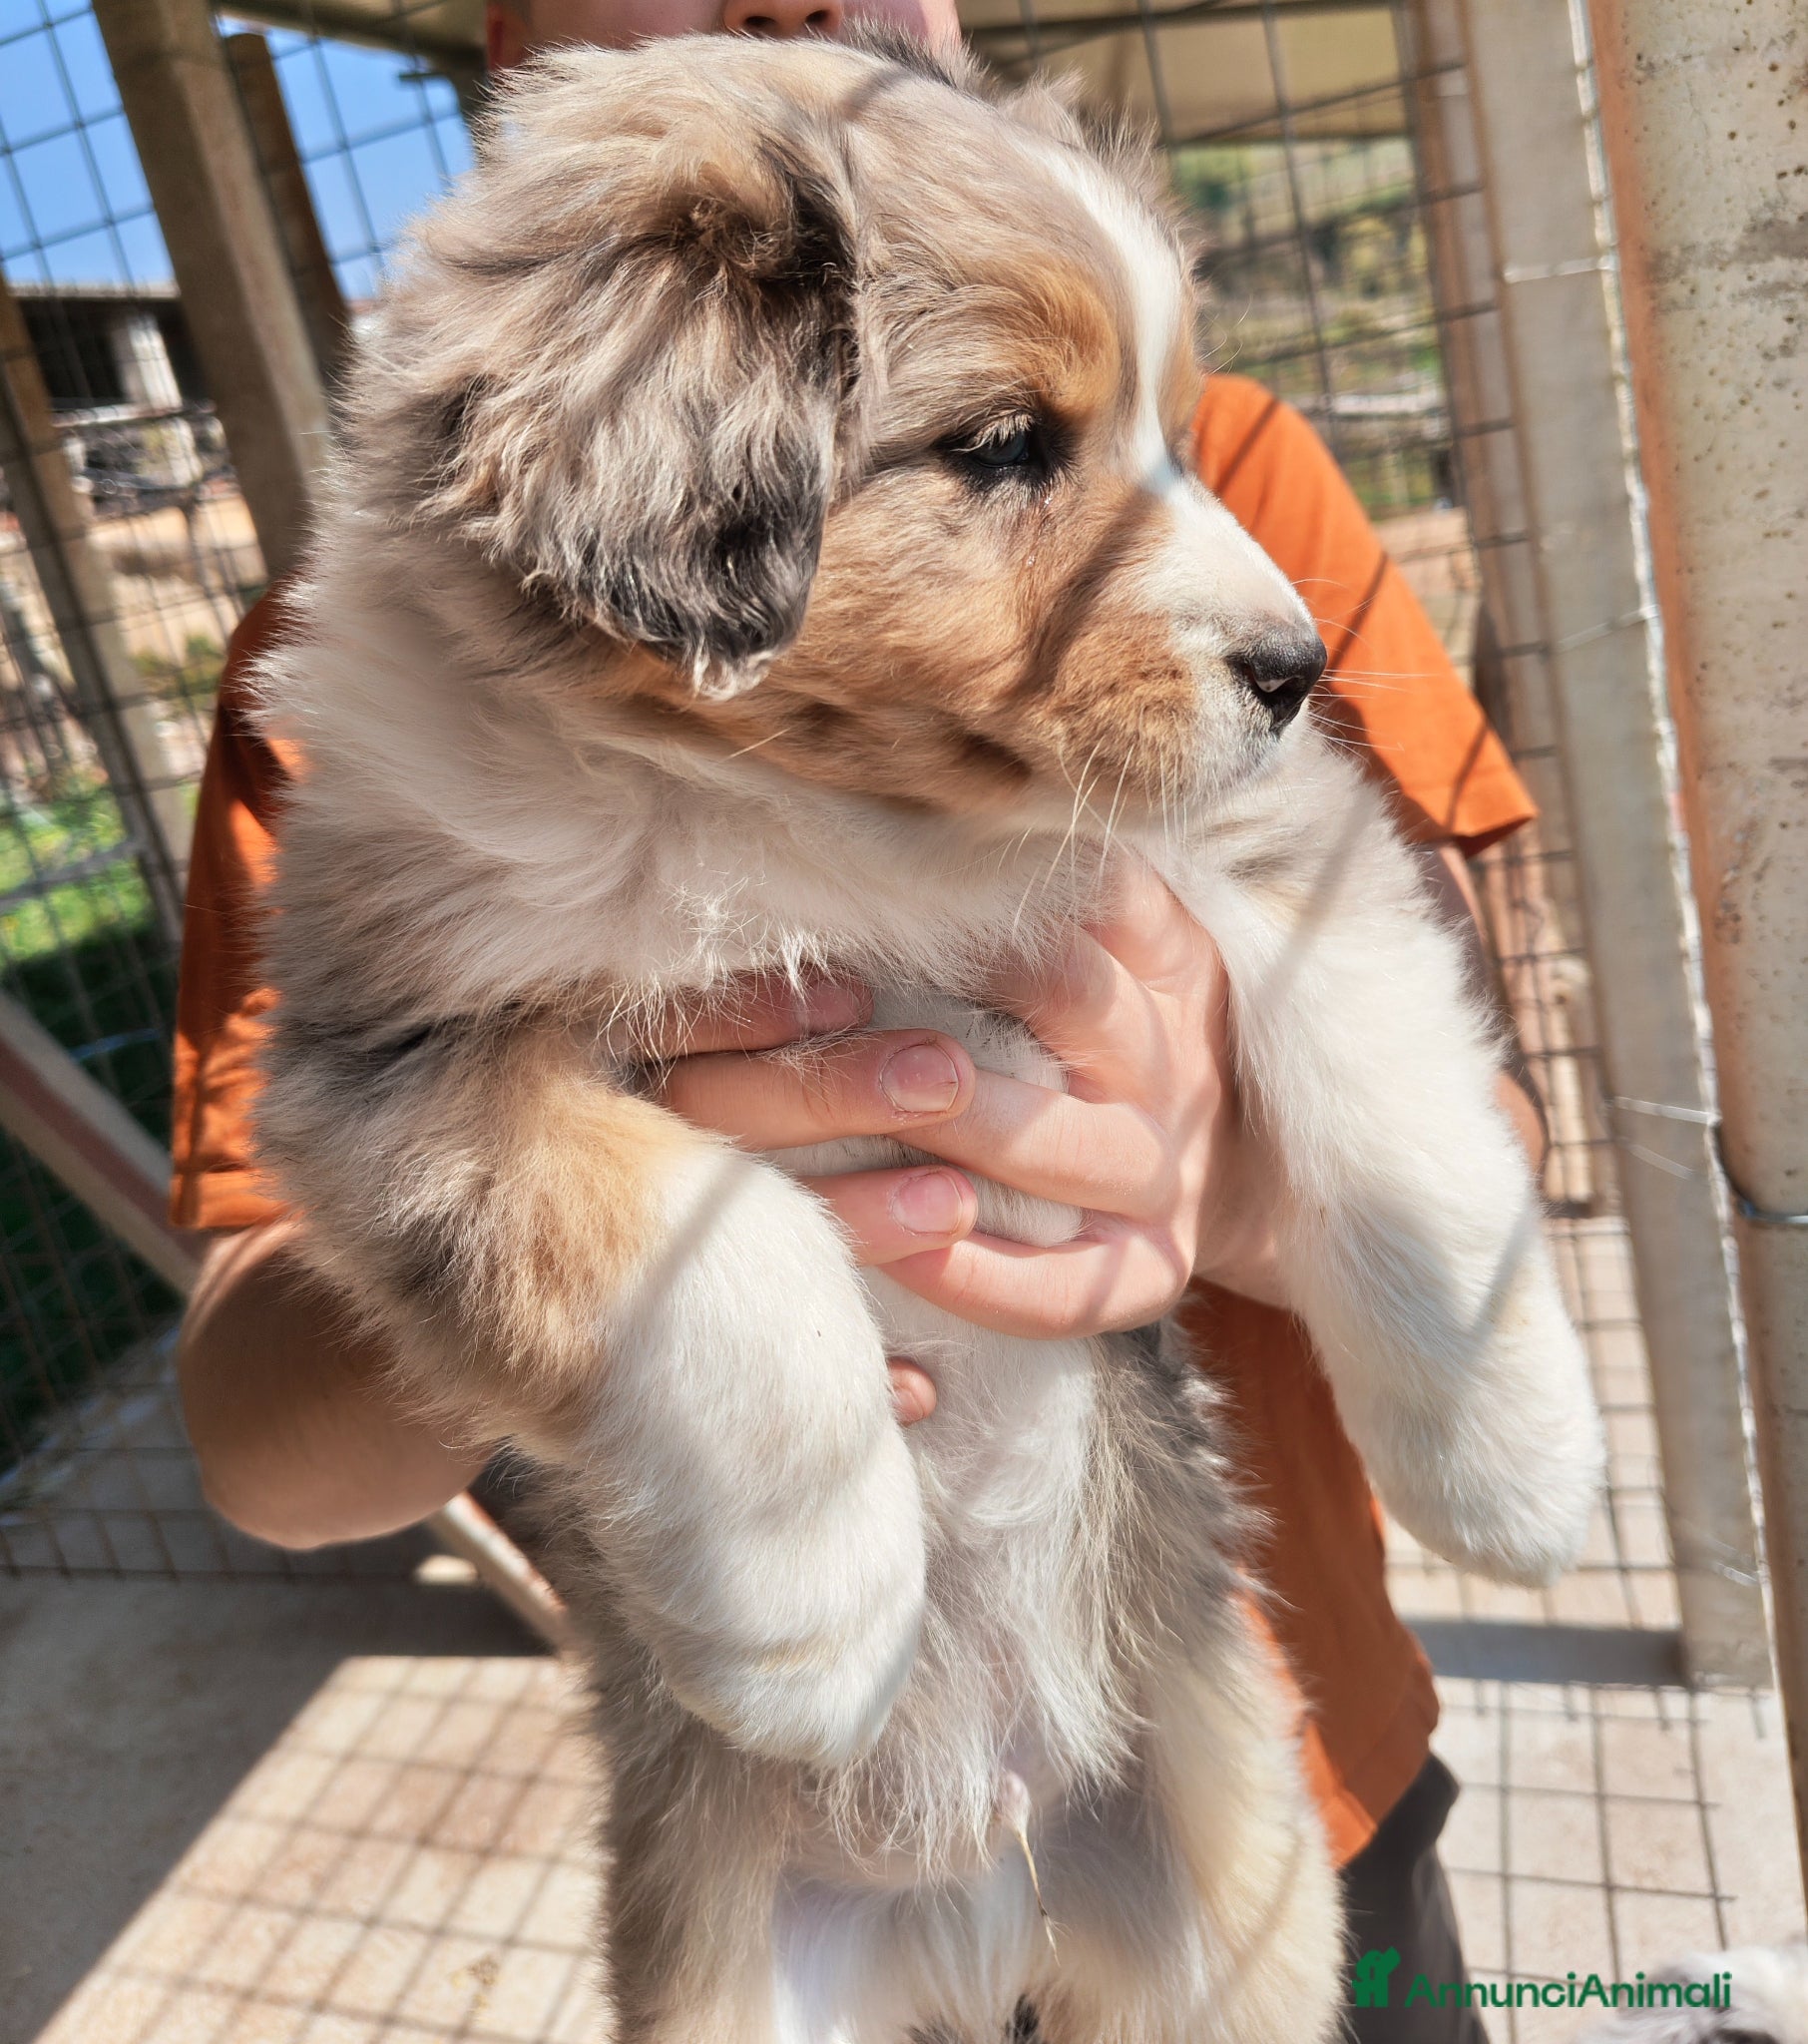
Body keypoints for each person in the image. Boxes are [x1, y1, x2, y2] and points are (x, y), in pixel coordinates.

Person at [171, 0, 1542, 2035]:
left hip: (1234, 1745)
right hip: (763, 1821)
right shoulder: (367, 683)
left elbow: (1397, 959)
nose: (832, 20)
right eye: (1009, 453)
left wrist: (1233, 1175)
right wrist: (652, 1300)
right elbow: (268, 1414)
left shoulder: (1214, 448)